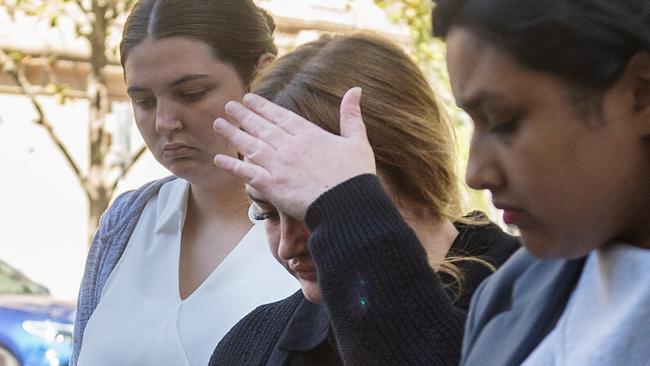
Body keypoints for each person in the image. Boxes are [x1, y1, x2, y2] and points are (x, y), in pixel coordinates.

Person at [212, 1, 650, 365]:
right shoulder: (523, 293)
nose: (475, 171)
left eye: (504, 121)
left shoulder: (507, 289)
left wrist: (349, 214)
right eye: (265, 213)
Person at [210, 33, 518, 365]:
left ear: (413, 166)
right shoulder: (253, 344)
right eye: (265, 213)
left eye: (315, 207)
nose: (287, 245)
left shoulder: (539, 298)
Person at [71, 1, 298, 365]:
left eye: (191, 93)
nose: (164, 121)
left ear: (262, 76)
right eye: (143, 100)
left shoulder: (317, 226)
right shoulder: (126, 222)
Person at [430, 1, 650, 365]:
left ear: (640, 94)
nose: (476, 173)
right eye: (472, 124)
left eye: (504, 120)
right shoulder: (509, 290)